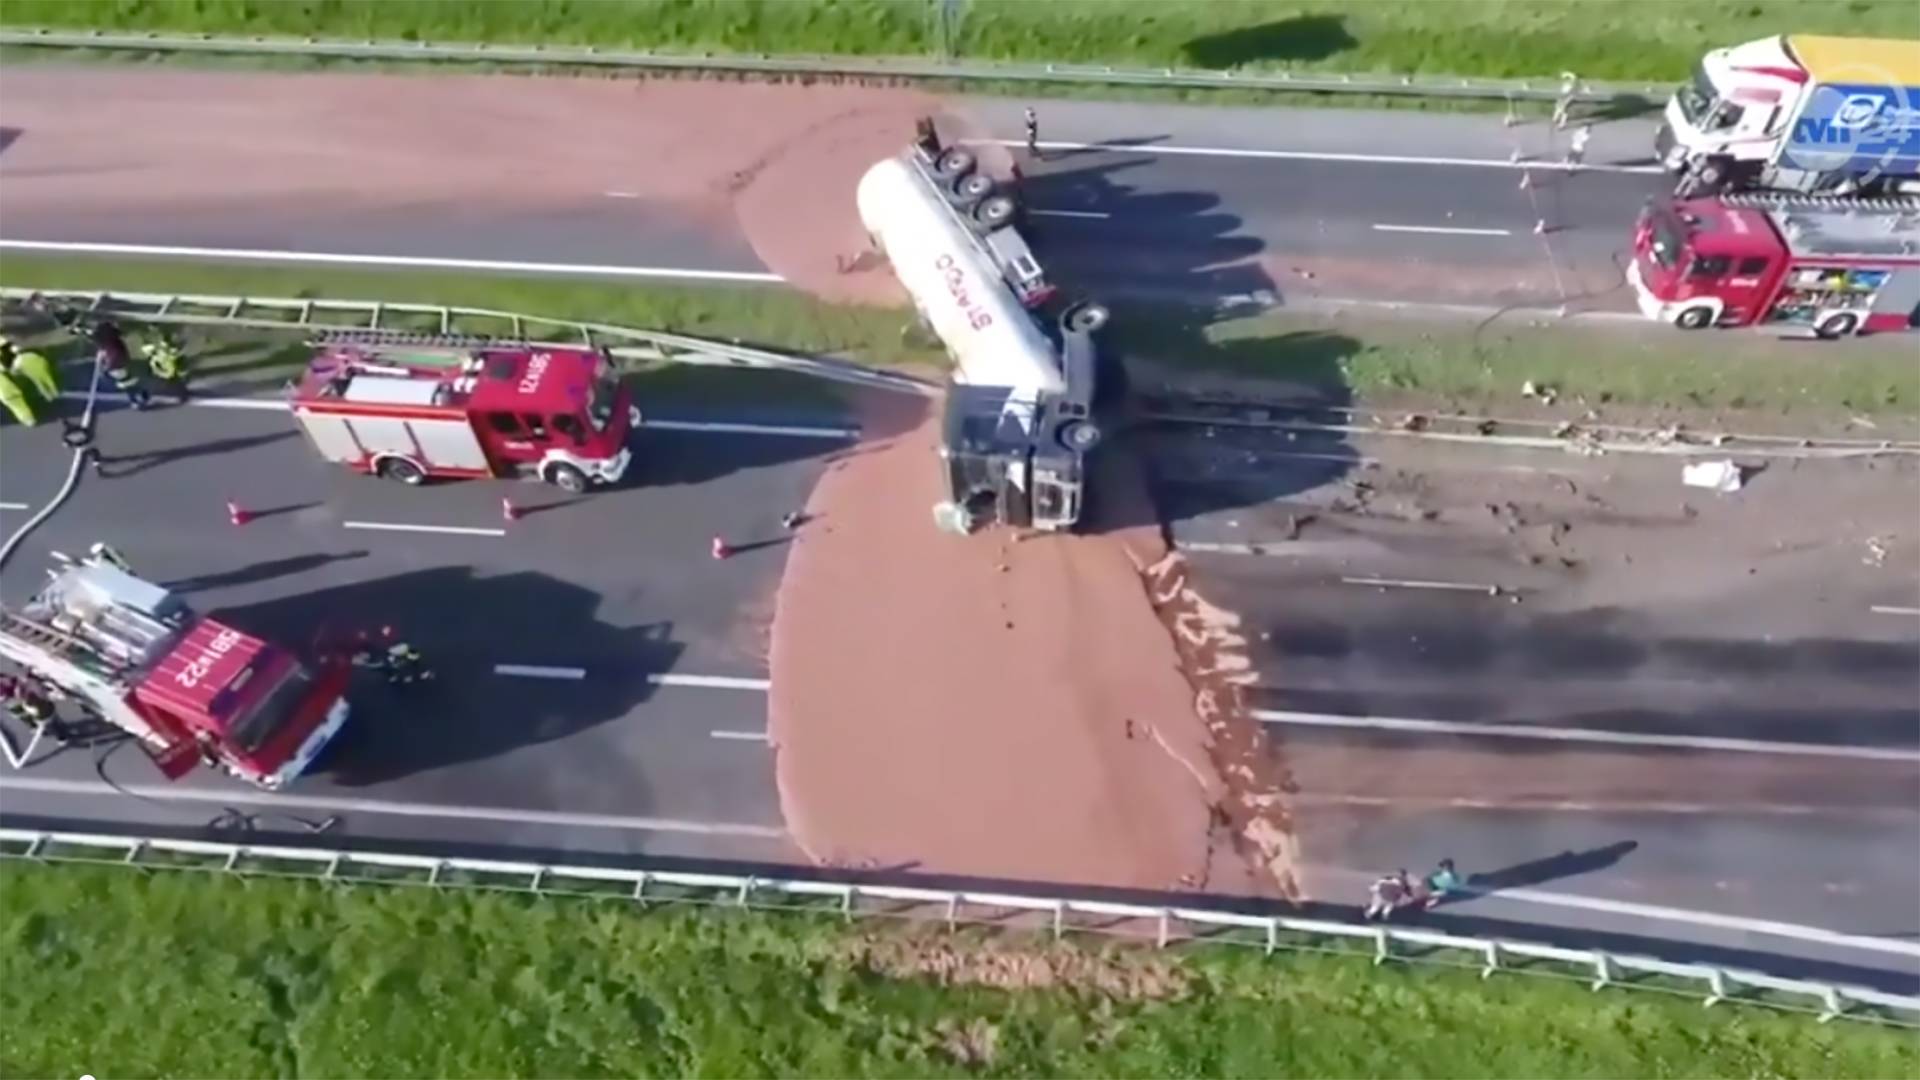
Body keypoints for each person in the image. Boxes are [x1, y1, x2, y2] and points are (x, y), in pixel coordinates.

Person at [5, 337, 63, 418]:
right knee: (43, 378)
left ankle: (50, 397)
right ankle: (53, 395)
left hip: (19, 362)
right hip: (24, 361)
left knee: (40, 380)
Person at [141, 332, 190, 402]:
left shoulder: (158, 356)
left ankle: (182, 394)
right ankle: (182, 394)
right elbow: (170, 358)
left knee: (175, 384)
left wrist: (157, 370)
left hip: (167, 373)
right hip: (169, 372)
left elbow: (159, 365)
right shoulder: (161, 355)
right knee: (177, 384)